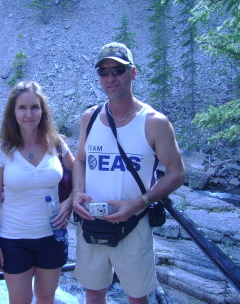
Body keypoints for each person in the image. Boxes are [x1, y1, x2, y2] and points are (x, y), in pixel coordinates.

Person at [72, 42, 186, 304]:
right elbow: (80, 160)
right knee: (94, 292)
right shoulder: (90, 117)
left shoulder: (154, 122)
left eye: (118, 70)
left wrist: (139, 202)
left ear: (132, 73)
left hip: (134, 224)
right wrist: (78, 192)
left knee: (136, 296)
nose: (111, 78)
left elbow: (177, 173)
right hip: (92, 221)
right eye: (104, 71)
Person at [0, 81, 74, 304]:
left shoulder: (56, 143)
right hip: (13, 239)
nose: (29, 114)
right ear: (13, 112)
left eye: (34, 107)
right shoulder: (1, 149)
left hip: (52, 237)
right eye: (22, 108)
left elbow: (79, 174)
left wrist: (71, 200)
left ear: (43, 110)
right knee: (20, 300)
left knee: (46, 297)